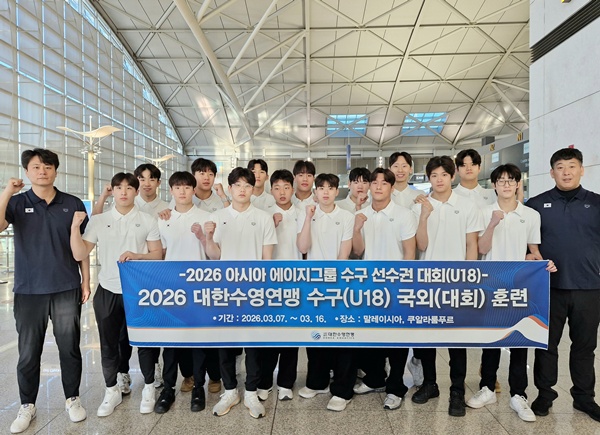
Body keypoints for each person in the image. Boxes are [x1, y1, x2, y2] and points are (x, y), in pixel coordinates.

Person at [0, 148, 89, 433]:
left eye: (48, 166)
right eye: (36, 167)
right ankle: (27, 404)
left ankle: (72, 399)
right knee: (28, 353)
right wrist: (7, 191)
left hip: (66, 287)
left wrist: (86, 281)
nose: (42, 171)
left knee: (69, 348)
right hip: (29, 291)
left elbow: (82, 247)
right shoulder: (17, 202)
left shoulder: (72, 203)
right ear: (27, 172)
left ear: (55, 171)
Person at [466, 164, 556, 422]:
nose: (506, 185)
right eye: (501, 181)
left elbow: (533, 251)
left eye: (511, 180)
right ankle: (487, 387)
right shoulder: (483, 212)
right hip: (490, 284)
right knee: (491, 337)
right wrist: (493, 224)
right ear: (494, 185)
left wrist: (543, 264)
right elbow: (481, 249)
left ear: (518, 184)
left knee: (519, 338)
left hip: (520, 285)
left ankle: (518, 394)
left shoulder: (530, 214)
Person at [70, 173, 162, 417]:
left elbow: (157, 255)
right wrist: (74, 228)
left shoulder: (147, 219)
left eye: (129, 188)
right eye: (119, 187)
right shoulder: (99, 220)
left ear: (136, 192)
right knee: (109, 343)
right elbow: (80, 253)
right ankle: (111, 390)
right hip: (108, 290)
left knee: (145, 341)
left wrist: (137, 255)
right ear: (113, 191)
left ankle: (149, 388)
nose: (124, 192)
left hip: (139, 290)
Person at [525, 148, 600, 422]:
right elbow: (526, 244)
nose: (566, 172)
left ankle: (584, 397)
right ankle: (545, 395)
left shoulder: (596, 203)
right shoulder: (536, 205)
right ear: (551, 172)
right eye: (560, 167)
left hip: (589, 287)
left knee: (584, 347)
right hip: (548, 287)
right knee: (546, 345)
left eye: (571, 166)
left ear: (582, 170)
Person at [411, 156, 484, 417]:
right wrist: (423, 216)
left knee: (456, 339)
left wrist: (469, 277)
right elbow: (420, 245)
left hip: (457, 280)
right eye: (434, 175)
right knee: (427, 337)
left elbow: (472, 244)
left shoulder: (467, 205)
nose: (439, 179)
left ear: (452, 176)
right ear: (428, 178)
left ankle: (457, 390)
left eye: (444, 174)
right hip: (427, 280)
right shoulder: (419, 205)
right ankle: (430, 384)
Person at [204, 167, 277, 419]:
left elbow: (267, 259)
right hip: (225, 290)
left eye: (247, 185)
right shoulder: (217, 216)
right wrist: (209, 237)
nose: (242, 190)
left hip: (254, 291)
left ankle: (251, 392)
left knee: (254, 344)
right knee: (225, 343)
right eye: (238, 185)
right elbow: (214, 256)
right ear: (230, 188)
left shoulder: (264, 218)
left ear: (252, 188)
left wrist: (263, 290)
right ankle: (230, 391)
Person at [351, 168, 417, 410]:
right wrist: (356, 227)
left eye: (384, 183)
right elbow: (358, 251)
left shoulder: (404, 214)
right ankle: (376, 378)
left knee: (397, 339)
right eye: (375, 182)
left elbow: (409, 253)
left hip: (396, 284)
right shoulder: (362, 214)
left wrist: (405, 284)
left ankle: (395, 387)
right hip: (369, 285)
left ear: (391, 187)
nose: (378, 187)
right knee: (372, 336)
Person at [154, 171, 212, 414]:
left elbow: (212, 254)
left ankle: (199, 387)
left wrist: (203, 236)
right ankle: (168, 388)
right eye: (177, 187)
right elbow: (159, 253)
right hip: (171, 289)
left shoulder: (206, 217)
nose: (182, 191)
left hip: (198, 288)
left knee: (198, 341)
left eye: (187, 187)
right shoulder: (163, 218)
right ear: (171, 191)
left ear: (193, 190)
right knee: (171, 342)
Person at [297, 173, 355, 412]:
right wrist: (308, 218)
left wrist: (335, 283)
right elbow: (303, 247)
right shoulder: (307, 214)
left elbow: (344, 253)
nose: (326, 192)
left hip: (338, 283)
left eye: (330, 188)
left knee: (342, 337)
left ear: (337, 191)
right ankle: (317, 382)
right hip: (313, 285)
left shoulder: (346, 216)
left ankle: (342, 390)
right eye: (321, 188)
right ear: (315, 191)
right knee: (315, 335)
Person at [257, 169, 302, 402]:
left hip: (295, 280)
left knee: (291, 335)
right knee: (268, 334)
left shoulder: (303, 214)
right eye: (276, 188)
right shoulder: (263, 215)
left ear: (293, 189)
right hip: (270, 281)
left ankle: (286, 382)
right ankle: (264, 382)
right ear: (271, 190)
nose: (282, 192)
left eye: (286, 187)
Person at [92, 163, 170, 217]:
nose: (147, 184)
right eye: (142, 180)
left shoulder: (167, 208)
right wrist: (103, 196)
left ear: (158, 183)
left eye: (152, 180)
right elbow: (96, 220)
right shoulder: (125, 202)